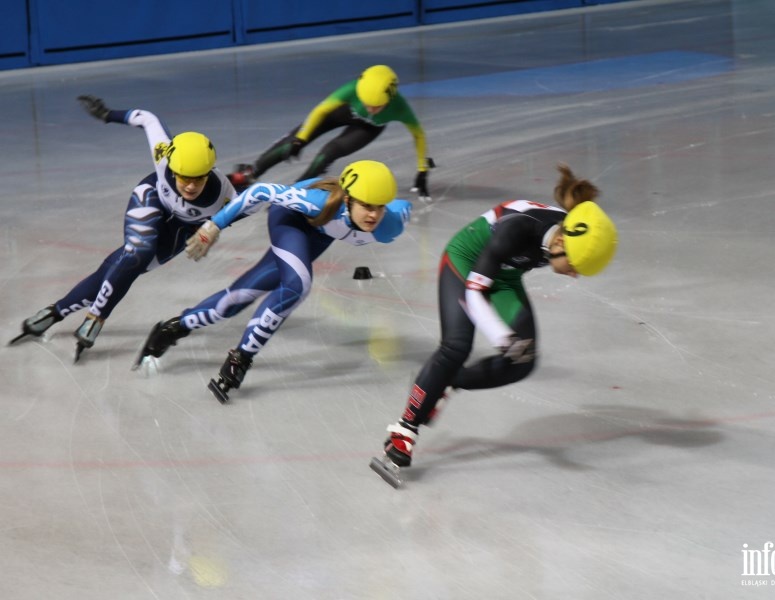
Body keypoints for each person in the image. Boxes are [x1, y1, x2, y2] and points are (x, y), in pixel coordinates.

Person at [369, 164, 618, 487]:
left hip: (504, 276)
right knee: (457, 345)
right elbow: (474, 292)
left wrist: (510, 345)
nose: (574, 275)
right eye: (575, 267)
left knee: (522, 362)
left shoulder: (567, 231)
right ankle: (403, 432)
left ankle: (441, 382)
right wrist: (502, 337)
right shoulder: (518, 230)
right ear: (559, 245)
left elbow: (504, 281)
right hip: (465, 263)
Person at [135, 159, 412, 403]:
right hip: (289, 220)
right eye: (366, 206)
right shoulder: (317, 201)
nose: (374, 215)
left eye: (379, 207)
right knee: (297, 284)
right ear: (348, 199)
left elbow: (402, 207)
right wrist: (213, 225)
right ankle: (240, 358)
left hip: (318, 233)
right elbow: (259, 192)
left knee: (237, 298)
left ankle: (174, 328)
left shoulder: (392, 222)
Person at [9, 96, 235, 362]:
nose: (189, 186)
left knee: (122, 268)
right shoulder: (164, 155)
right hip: (151, 198)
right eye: (183, 176)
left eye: (198, 179)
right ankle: (96, 318)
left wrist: (214, 227)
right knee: (138, 251)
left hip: (181, 230)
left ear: (209, 172)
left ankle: (53, 313)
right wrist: (107, 114)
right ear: (171, 167)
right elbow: (148, 119)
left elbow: (259, 199)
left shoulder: (226, 196)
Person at [227, 65, 434, 202]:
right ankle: (251, 173)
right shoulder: (353, 89)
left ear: (390, 99)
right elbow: (321, 110)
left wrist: (422, 169)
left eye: (377, 106)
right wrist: (301, 139)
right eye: (366, 103)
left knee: (328, 153)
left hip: (366, 129)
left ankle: (295, 194)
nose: (370, 109)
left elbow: (419, 135)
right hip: (339, 113)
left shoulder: (400, 107)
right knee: (293, 141)